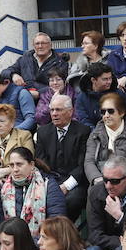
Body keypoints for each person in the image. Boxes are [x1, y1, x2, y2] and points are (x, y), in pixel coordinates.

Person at [34, 93, 91, 221]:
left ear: (70, 112)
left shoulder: (83, 131)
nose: (54, 114)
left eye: (58, 110)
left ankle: (62, 232)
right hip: (51, 180)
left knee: (72, 200)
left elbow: (83, 164)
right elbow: (40, 162)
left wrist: (66, 186)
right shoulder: (43, 132)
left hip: (75, 182)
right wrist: (53, 185)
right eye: (52, 110)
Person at [0, 147, 67, 240]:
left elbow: (57, 221)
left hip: (41, 244)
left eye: (19, 164)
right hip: (11, 245)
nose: (15, 169)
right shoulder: (4, 189)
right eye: (12, 165)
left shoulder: (48, 185)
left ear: (32, 164)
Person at [84, 92, 126, 184]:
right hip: (100, 182)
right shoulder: (95, 134)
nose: (106, 115)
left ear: (122, 112)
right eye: (103, 112)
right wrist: (98, 179)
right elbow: (89, 162)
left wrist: (118, 182)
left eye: (111, 111)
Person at [1, 31, 69, 94]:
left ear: (50, 45)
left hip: (48, 98)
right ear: (33, 46)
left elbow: (61, 86)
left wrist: (39, 93)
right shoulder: (25, 58)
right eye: (37, 43)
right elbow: (4, 72)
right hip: (25, 95)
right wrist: (13, 75)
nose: (40, 46)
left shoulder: (60, 62)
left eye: (43, 43)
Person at [74, 62, 118, 129]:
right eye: (105, 79)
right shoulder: (81, 98)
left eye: (110, 78)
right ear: (93, 80)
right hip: (91, 134)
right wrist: (95, 134)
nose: (109, 82)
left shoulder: (118, 94)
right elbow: (84, 120)